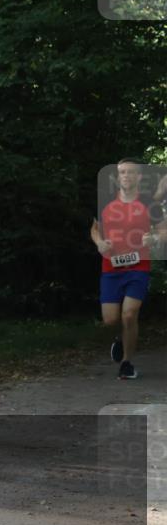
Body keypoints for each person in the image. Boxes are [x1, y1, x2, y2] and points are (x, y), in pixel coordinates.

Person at [89, 159, 167, 380]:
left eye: (131, 172)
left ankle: (127, 363)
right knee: (111, 320)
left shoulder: (148, 204)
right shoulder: (105, 204)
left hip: (138, 267)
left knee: (130, 314)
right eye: (122, 172)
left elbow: (164, 231)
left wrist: (153, 238)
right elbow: (94, 230)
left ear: (139, 177)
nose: (126, 176)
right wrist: (99, 243)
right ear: (117, 176)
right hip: (111, 268)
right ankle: (121, 339)